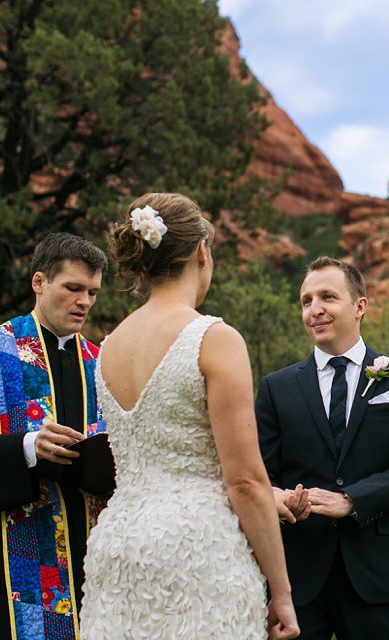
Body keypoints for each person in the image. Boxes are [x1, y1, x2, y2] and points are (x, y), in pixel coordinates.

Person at [80, 193, 302, 639]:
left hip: (117, 547)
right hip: (196, 550)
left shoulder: (108, 347)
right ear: (202, 252)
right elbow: (244, 481)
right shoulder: (214, 338)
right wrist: (281, 593)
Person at [256, 257, 389, 640]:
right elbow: (260, 474)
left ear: (359, 306)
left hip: (379, 573)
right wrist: (281, 499)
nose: (314, 309)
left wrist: (351, 500)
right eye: (306, 301)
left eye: (327, 297)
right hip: (300, 576)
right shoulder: (276, 387)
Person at [0, 233, 108, 640]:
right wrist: (27, 447)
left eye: (92, 292)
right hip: (11, 557)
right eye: (72, 288)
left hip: (91, 558)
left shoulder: (104, 364)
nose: (84, 301)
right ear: (39, 283)